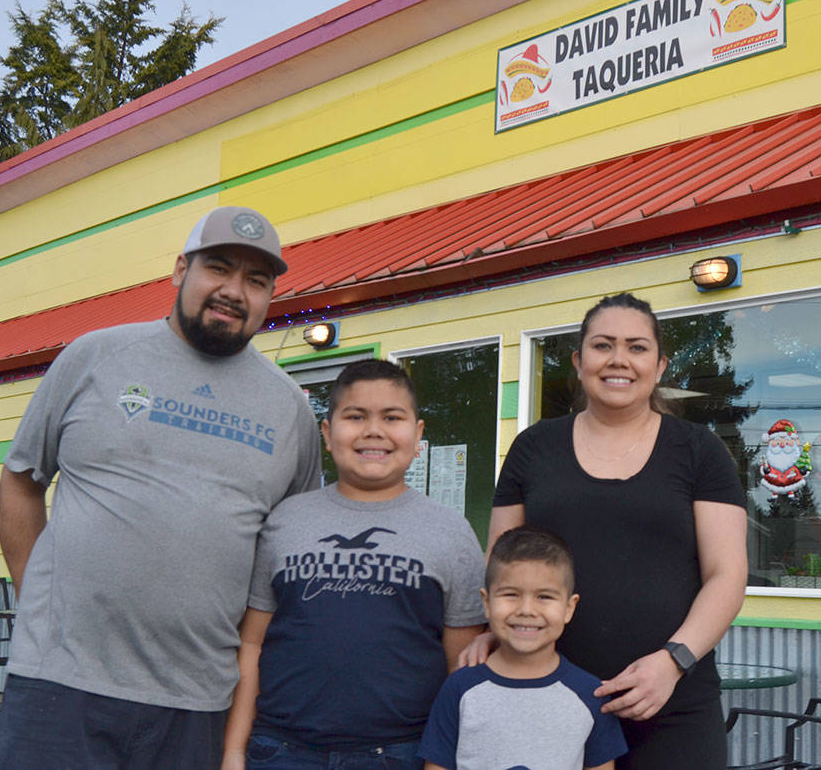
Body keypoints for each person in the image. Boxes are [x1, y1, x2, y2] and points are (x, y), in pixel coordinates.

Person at [0, 206, 322, 769]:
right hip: (60, 684)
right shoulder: (95, 356)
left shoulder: (289, 407)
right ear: (179, 270)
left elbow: (289, 551)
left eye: (256, 280)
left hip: (198, 701)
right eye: (218, 268)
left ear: (270, 297)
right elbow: (21, 481)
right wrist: (37, 604)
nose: (234, 291)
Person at [476, 292, 748, 769]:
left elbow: (726, 575)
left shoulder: (699, 451)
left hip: (674, 708)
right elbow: (502, 562)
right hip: (546, 701)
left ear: (659, 367)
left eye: (637, 347)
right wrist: (490, 631)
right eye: (603, 345)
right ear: (579, 362)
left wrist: (673, 661)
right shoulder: (533, 448)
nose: (619, 359)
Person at [223, 359, 486, 770]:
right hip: (281, 750)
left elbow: (460, 666)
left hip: (401, 752)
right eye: (356, 416)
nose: (373, 430)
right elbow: (253, 644)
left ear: (418, 434)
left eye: (392, 417)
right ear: (328, 434)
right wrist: (234, 751)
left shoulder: (451, 533)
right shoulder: (285, 521)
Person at [419, 525, 627, 770]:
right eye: (511, 594)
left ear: (569, 608)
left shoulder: (590, 694)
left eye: (544, 597)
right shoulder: (460, 688)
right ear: (486, 603)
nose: (526, 610)